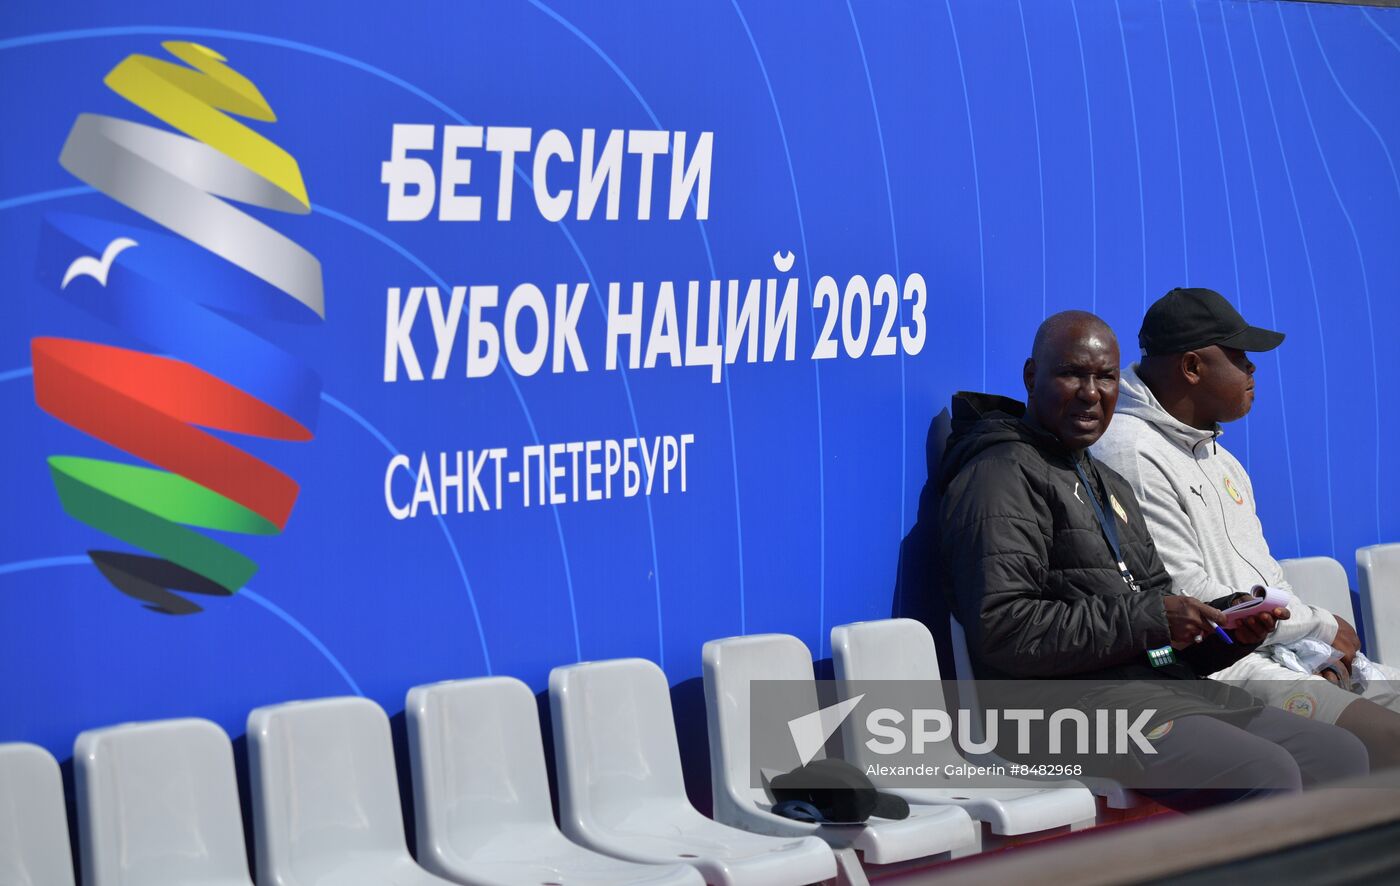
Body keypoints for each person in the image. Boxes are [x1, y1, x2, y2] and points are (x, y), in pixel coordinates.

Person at [937, 310, 1367, 808]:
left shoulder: (1106, 482)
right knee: (1261, 771)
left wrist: (1224, 634)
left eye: (1106, 377)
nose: (1091, 392)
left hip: (1148, 694)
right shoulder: (999, 475)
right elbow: (1003, 626)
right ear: (1033, 377)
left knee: (1337, 755)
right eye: (1073, 373)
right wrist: (1153, 618)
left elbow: (1156, 636)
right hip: (1053, 716)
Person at [1093, 287, 1400, 769]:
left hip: (1279, 651)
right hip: (1220, 669)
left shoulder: (1223, 459)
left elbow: (1268, 580)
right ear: (1192, 367)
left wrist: (1314, 649)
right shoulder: (1128, 453)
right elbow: (1193, 598)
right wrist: (1319, 624)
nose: (1253, 370)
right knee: (1388, 741)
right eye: (1239, 357)